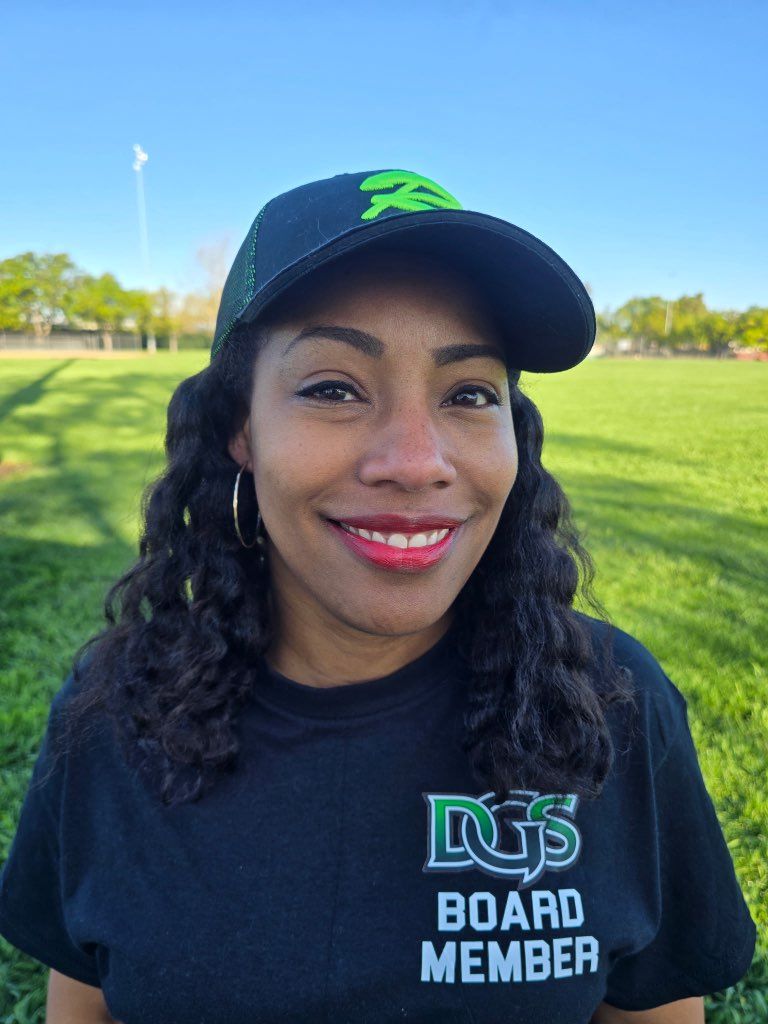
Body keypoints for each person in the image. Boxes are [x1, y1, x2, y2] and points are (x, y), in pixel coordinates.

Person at [0, 169, 756, 1024]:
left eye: (470, 393)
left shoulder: (612, 703)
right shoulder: (112, 713)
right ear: (239, 429)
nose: (416, 459)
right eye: (333, 388)